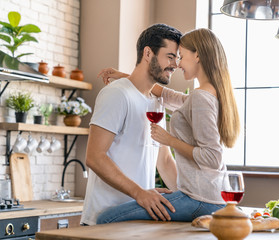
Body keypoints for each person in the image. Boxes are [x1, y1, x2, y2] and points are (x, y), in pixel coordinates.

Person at [96, 28, 240, 224]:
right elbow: (170, 97)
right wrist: (126, 77)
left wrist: (169, 140)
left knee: (106, 218)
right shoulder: (210, 94)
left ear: (197, 55)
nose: (178, 64)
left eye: (181, 56)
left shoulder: (201, 97)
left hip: (200, 199)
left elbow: (213, 157)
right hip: (210, 197)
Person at [80, 23, 182, 226]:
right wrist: (140, 193)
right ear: (147, 53)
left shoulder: (156, 102)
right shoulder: (117, 94)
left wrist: (189, 197)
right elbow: (94, 157)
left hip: (137, 220)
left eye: (177, 58)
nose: (175, 65)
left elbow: (164, 160)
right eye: (170, 56)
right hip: (103, 223)